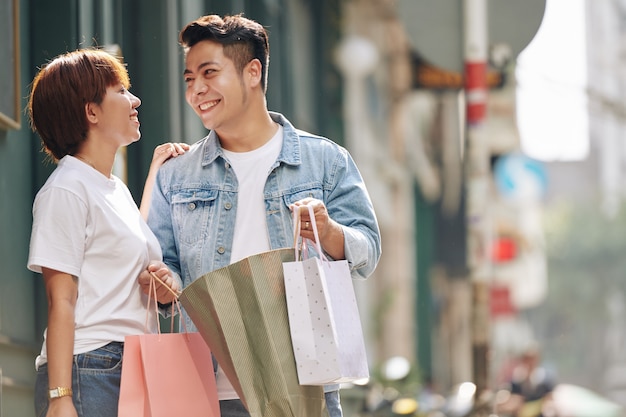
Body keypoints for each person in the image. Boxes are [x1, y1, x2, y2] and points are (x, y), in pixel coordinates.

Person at [140, 13, 382, 417]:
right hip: (209, 391)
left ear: (252, 72)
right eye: (188, 79)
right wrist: (167, 286)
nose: (197, 89)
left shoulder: (324, 161)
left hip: (304, 385)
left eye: (209, 73)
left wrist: (329, 231)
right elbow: (163, 266)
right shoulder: (176, 175)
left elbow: (368, 249)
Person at [26, 48, 187, 417]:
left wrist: (160, 282)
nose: (136, 99)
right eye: (121, 91)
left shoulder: (111, 188)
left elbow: (128, 258)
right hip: (89, 368)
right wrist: (60, 395)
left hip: (130, 365)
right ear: (91, 111)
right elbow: (61, 300)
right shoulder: (66, 188)